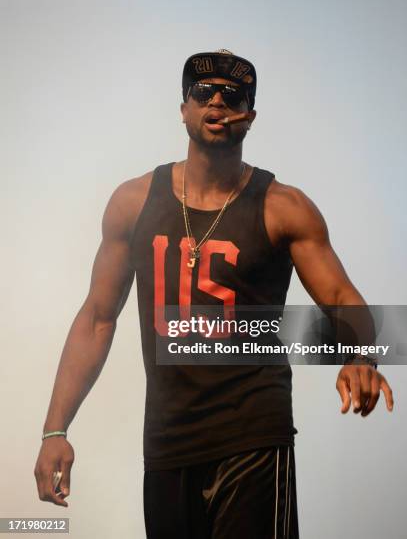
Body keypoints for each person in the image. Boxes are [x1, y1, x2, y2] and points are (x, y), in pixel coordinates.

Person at [34, 49, 394, 538]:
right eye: (204, 92)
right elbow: (98, 318)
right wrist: (56, 429)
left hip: (254, 436)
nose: (218, 102)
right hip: (166, 444)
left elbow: (340, 294)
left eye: (234, 94)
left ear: (251, 114)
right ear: (184, 106)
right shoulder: (133, 202)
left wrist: (361, 356)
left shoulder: (284, 207)